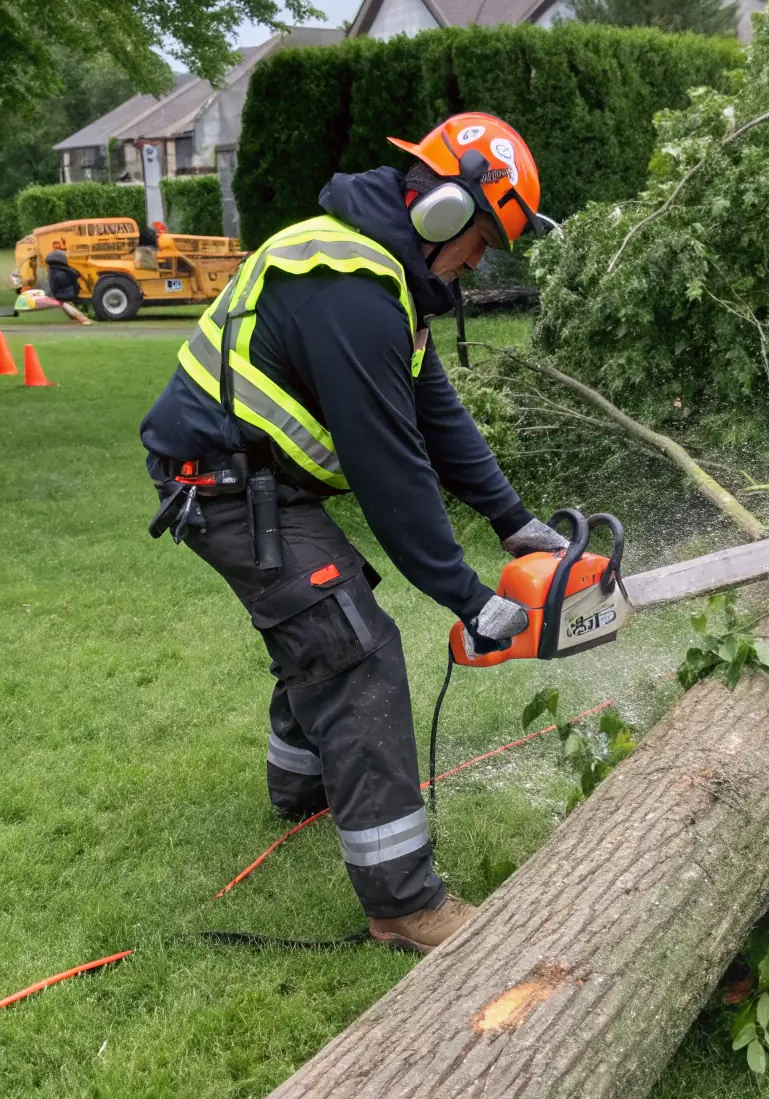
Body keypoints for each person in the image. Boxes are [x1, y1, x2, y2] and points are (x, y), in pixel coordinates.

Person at [140, 112, 566, 952]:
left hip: (262, 482)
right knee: (353, 644)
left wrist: (515, 523)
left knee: (326, 618)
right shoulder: (352, 289)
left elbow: (437, 418)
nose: (479, 260)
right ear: (442, 209)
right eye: (480, 238)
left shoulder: (384, 276)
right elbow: (390, 468)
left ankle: (301, 787)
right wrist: (470, 597)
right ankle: (404, 902)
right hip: (220, 486)